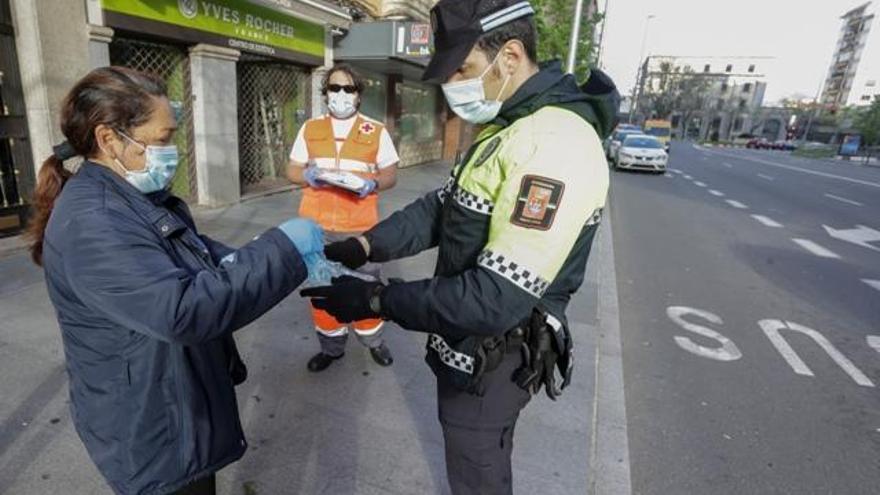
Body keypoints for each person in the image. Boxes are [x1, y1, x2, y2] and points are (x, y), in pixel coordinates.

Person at [302, 0, 619, 493]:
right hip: (467, 346)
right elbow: (441, 207)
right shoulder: (508, 125)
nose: (453, 87)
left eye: (464, 69)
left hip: (496, 357)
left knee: (477, 471)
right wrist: (366, 246)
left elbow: (494, 298)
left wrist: (375, 301)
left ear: (510, 56)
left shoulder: (554, 142)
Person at [28, 67, 324, 495]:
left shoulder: (130, 194)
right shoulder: (94, 220)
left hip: (169, 397)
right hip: (151, 424)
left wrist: (243, 256)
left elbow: (183, 248)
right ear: (109, 139)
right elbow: (181, 310)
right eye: (162, 139)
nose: (174, 151)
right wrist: (280, 250)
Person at [286, 64, 399, 372]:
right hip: (316, 227)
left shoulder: (375, 130)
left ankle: (373, 341)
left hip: (360, 228)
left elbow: (390, 174)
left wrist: (373, 183)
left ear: (358, 95)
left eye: (348, 88)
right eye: (334, 88)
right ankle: (331, 348)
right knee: (321, 289)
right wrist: (308, 176)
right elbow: (292, 170)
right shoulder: (310, 128)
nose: (341, 94)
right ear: (326, 93)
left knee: (365, 287)